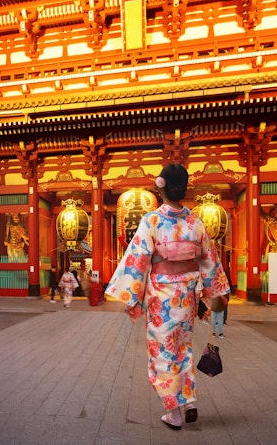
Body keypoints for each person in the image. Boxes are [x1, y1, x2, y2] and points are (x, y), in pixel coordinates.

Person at [106, 163, 230, 431]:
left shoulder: (152, 221)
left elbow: (138, 260)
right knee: (183, 349)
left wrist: (132, 297)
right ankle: (190, 402)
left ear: (160, 186)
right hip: (187, 297)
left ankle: (173, 413)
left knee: (163, 353)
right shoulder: (195, 222)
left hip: (162, 299)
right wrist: (215, 295)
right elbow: (210, 262)